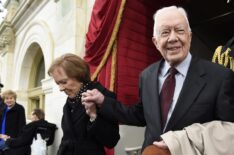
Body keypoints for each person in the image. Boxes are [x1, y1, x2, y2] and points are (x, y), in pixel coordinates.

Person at [82, 5, 234, 152]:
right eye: (165, 32)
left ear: (189, 36)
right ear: (155, 42)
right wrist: (103, 102)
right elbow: (140, 115)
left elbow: (228, 133)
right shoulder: (147, 75)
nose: (173, 38)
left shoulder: (219, 76)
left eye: (180, 30)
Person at [47, 53, 120, 155]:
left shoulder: (103, 97)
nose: (60, 88)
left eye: (64, 82)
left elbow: (111, 140)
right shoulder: (69, 102)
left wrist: (93, 117)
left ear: (79, 76)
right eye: (58, 83)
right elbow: (66, 140)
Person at [0, 90, 26, 155]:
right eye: (6, 98)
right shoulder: (3, 108)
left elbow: (22, 125)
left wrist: (16, 140)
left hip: (11, 140)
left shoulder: (19, 108)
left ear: (14, 99)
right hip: (1, 137)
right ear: (4, 100)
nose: (9, 100)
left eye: (11, 98)